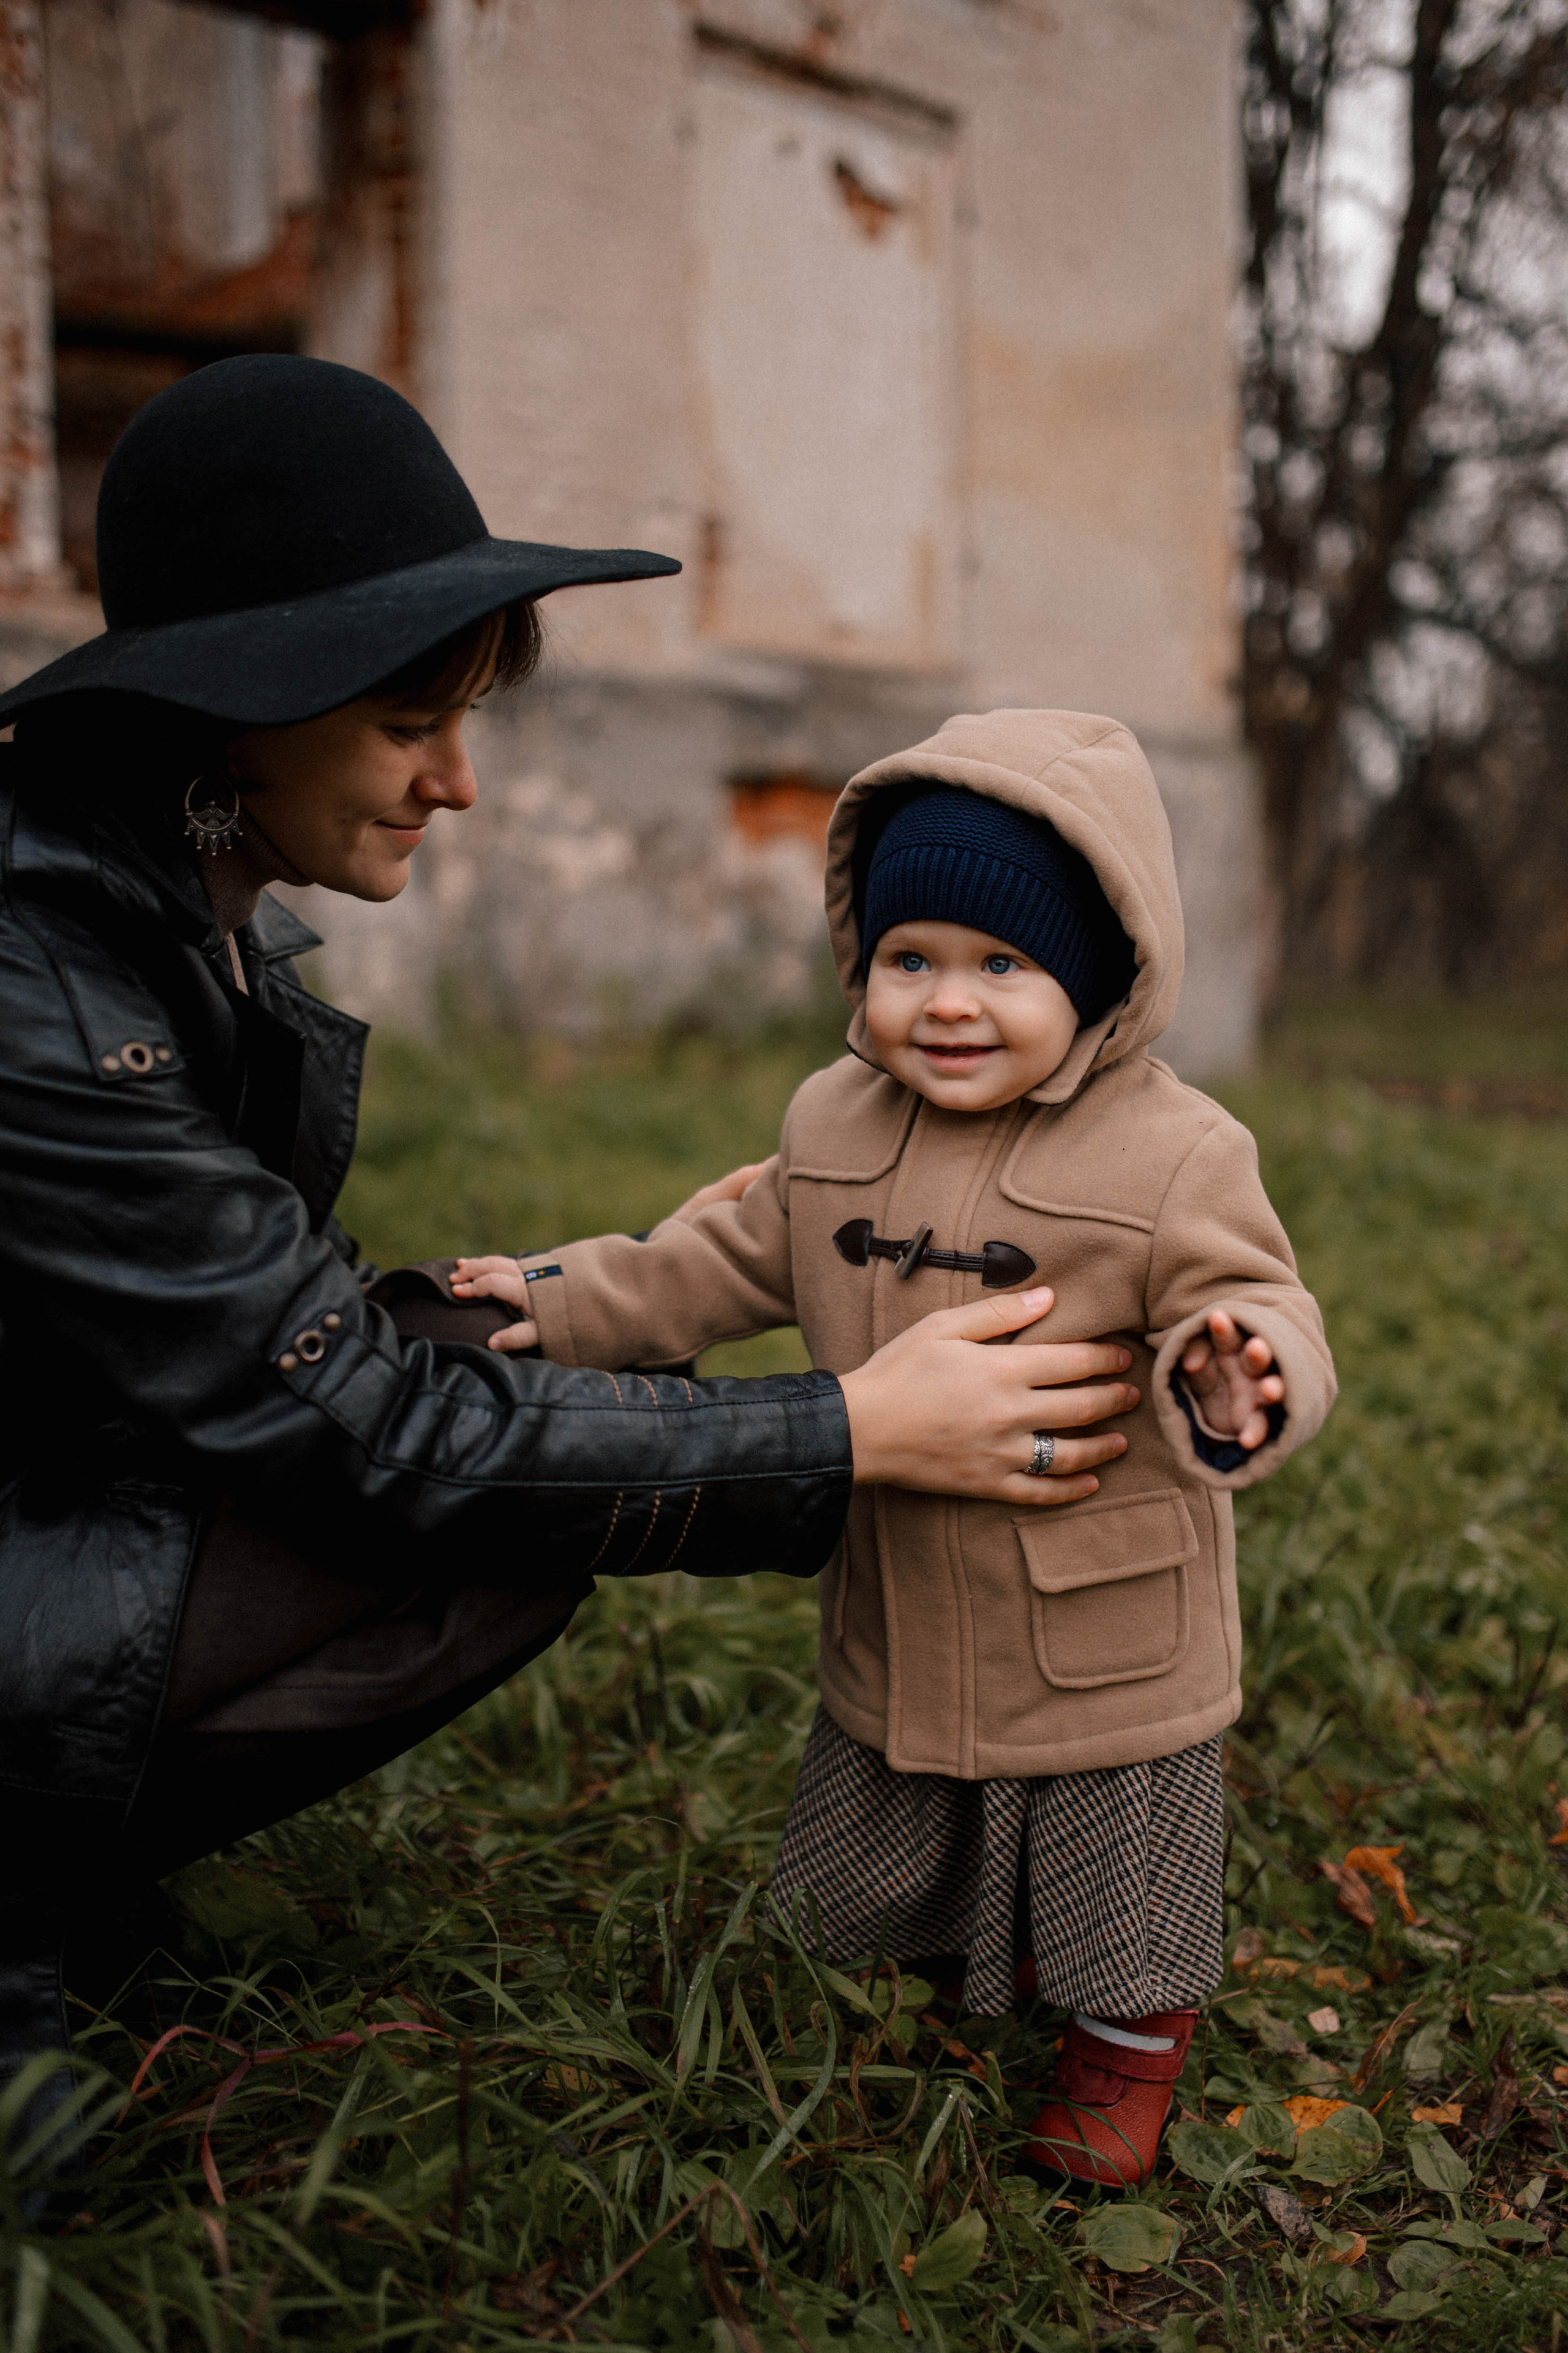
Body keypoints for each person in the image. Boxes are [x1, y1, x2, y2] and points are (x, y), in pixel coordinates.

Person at [0, 360, 1138, 2142]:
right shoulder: (39, 980)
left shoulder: (171, 908)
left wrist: (571, 1310)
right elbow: (359, 1426)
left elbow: (264, 1352)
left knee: (538, 1427)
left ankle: (72, 1851)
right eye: (405, 721)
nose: (457, 780)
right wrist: (846, 1436)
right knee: (504, 1471)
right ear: (240, 711)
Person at [451, 709, 1337, 2190]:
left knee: (1115, 1854)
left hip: (1095, 1613)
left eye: (1004, 964)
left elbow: (1256, 1295)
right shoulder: (830, 1121)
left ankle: (1123, 2051)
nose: (948, 1002)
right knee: (885, 1816)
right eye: (908, 957)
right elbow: (714, 1260)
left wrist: (1238, 1368)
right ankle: (909, 1974)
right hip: (903, 1584)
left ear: (1103, 974)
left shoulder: (1175, 1151)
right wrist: (553, 1298)